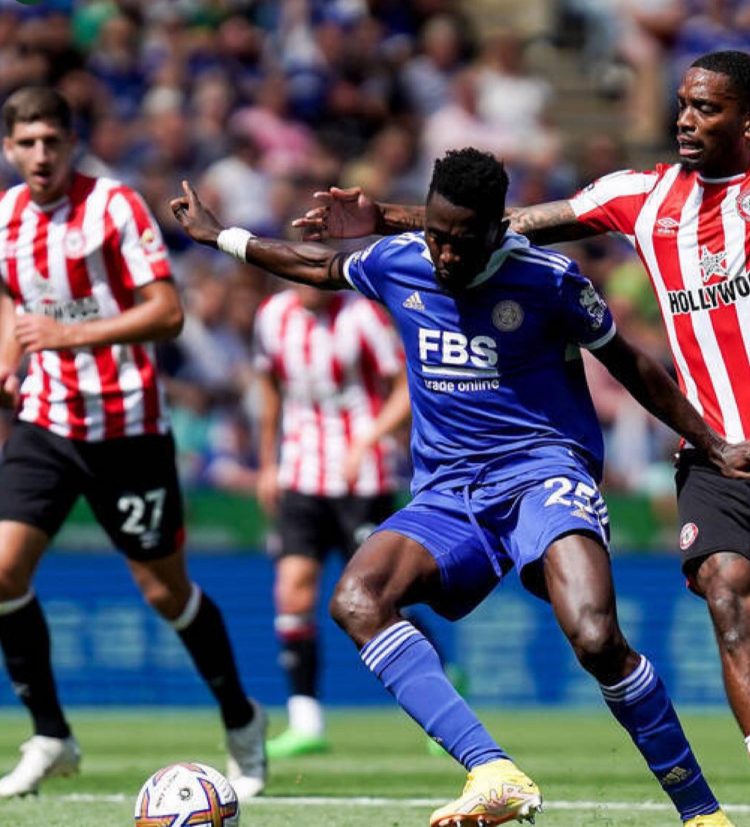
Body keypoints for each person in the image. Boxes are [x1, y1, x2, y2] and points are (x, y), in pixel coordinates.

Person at [172, 147, 750, 827]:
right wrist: (223, 237)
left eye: (462, 241)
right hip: (450, 493)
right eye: (437, 236)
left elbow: (631, 365)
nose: (445, 255)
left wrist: (712, 442)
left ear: (499, 230)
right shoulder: (400, 261)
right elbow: (316, 266)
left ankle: (700, 811)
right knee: (358, 599)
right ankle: (493, 769)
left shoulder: (549, 280)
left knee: (596, 638)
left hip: (545, 474)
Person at [303, 49, 750, 774]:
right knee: (729, 594)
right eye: (683, 104)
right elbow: (503, 226)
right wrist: (384, 217)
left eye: (707, 108)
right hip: (719, 447)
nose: (686, 119)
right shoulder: (641, 194)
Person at [0, 86, 266, 801]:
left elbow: (168, 312)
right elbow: (10, 297)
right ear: (8, 148)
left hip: (128, 429)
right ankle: (51, 733)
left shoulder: (113, 206)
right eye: (26, 143)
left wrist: (68, 334)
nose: (40, 155)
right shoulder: (7, 218)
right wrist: (9, 360)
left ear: (72, 140)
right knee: (1, 570)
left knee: (163, 588)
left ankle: (241, 716)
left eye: (52, 141)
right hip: (47, 421)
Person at [254, 283, 410, 758]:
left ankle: (438, 673)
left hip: (362, 477)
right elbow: (268, 387)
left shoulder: (362, 316)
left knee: (379, 597)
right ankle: (306, 720)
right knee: (293, 587)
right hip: (301, 472)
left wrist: (370, 439)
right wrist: (266, 463)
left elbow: (405, 386)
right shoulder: (273, 314)